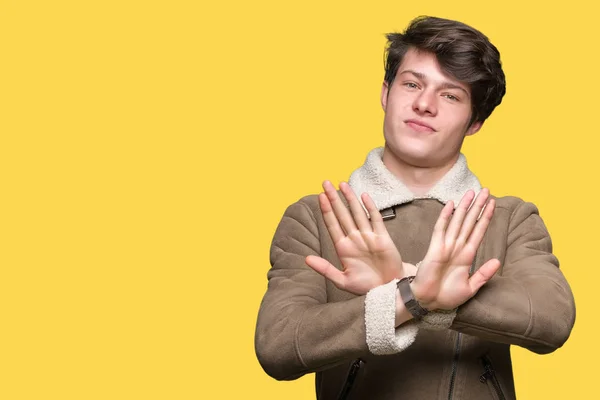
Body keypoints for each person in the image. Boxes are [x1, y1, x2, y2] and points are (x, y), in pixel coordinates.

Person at [254, 15, 575, 400]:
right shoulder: (317, 216)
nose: (424, 104)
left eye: (451, 94)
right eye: (412, 84)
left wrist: (428, 295)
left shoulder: (510, 219)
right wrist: (410, 297)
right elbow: (278, 344)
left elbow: (552, 319)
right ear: (386, 93)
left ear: (475, 122)